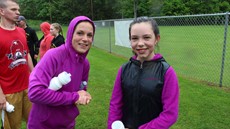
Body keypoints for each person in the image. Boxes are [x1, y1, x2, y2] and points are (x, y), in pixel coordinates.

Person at [107, 17, 179, 129]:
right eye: (134, 38)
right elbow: (115, 105)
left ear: (156, 39)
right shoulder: (124, 69)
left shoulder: (166, 72)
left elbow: (170, 114)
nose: (140, 43)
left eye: (146, 37)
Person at [28, 16, 95, 128]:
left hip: (67, 124)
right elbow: (35, 92)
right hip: (43, 124)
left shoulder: (84, 63)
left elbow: (80, 88)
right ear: (70, 34)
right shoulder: (53, 56)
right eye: (80, 33)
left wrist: (83, 94)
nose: (85, 39)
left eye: (89, 35)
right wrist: (74, 97)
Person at [0, 0, 33, 129]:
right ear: (2, 11)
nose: (18, 13)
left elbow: (27, 54)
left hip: (28, 87)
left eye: (18, 10)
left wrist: (35, 75)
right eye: (13, 10)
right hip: (9, 92)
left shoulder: (21, 31)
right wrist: (0, 94)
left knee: (35, 121)